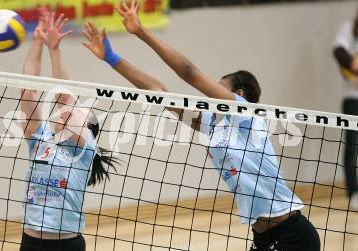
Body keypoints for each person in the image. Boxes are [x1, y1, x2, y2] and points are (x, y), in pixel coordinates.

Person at [82, 1, 320, 250]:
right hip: (262, 238)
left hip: (293, 235)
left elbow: (189, 73)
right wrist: (111, 58)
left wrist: (141, 31)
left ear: (239, 94)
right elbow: (158, 91)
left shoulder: (246, 116)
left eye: (219, 88)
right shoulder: (211, 124)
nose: (211, 94)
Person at [20, 10, 118, 251]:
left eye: (77, 113)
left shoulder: (85, 151)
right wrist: (38, 42)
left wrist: (56, 51)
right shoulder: (39, 141)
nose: (68, 111)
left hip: (67, 245)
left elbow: (64, 98)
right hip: (30, 242)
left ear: (89, 131)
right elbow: (27, 90)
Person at [333, 6, 358, 210]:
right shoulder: (349, 28)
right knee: (352, 145)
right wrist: (352, 65)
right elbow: (338, 51)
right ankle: (354, 193)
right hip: (352, 97)